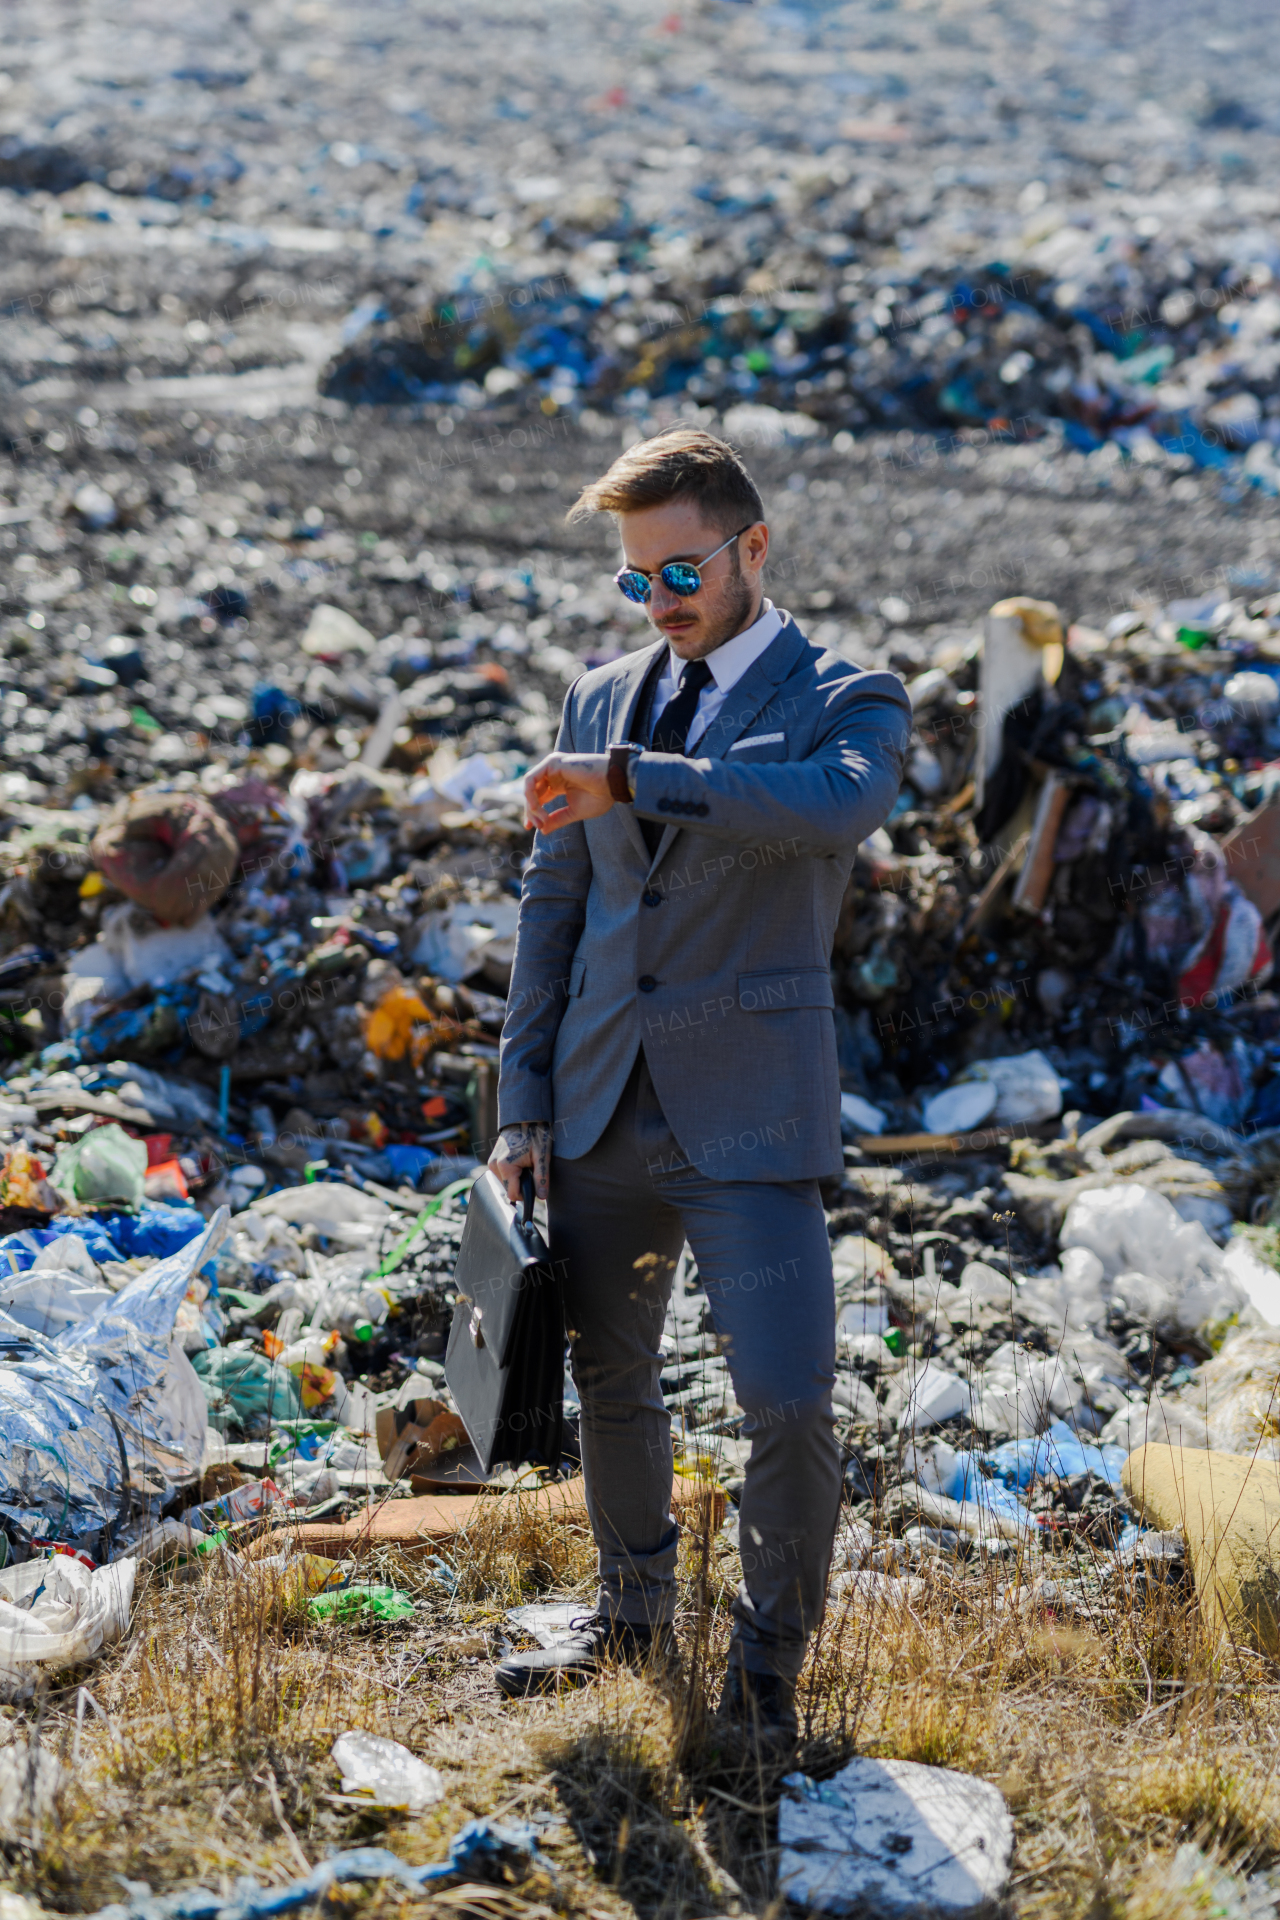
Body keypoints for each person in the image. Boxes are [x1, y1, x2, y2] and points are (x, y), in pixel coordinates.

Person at [487, 426, 911, 1754]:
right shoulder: (596, 696)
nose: (661, 603)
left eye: (682, 574)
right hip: (603, 1098)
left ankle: (768, 1678)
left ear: (755, 548)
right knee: (613, 1382)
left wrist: (638, 776)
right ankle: (629, 1615)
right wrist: (521, 1106)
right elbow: (554, 907)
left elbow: (831, 811)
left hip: (751, 1113)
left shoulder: (853, 693)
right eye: (638, 581)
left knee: (787, 1404)